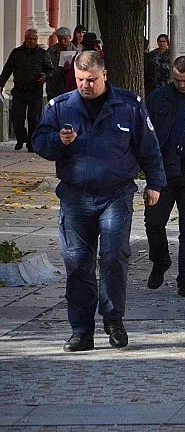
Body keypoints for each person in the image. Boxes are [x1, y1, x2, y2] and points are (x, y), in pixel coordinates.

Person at [33, 51, 165, 352]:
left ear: (104, 74)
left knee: (114, 256)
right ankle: (81, 331)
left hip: (115, 195)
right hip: (75, 197)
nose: (85, 85)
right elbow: (39, 142)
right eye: (80, 79)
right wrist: (58, 141)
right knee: (78, 262)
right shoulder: (60, 106)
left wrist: (155, 183)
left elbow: (148, 147)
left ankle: (114, 320)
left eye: (91, 79)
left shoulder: (128, 105)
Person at [144, 56, 185, 296]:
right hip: (163, 171)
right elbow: (146, 134)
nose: (182, 85)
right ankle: (160, 260)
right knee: (154, 222)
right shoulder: (158, 98)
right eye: (177, 80)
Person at [0, 28, 54, 151]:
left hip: (35, 90)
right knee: (17, 117)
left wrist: (45, 76)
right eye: (29, 39)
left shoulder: (42, 53)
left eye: (34, 39)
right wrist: (1, 83)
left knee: (33, 118)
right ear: (25, 39)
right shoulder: (17, 52)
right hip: (19, 90)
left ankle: (31, 142)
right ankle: (21, 138)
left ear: (37, 40)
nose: (32, 41)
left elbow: (50, 70)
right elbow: (7, 69)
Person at [46, 27, 75, 100]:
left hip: (68, 87)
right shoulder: (51, 51)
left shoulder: (76, 52)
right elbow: (46, 66)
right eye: (60, 39)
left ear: (70, 38)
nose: (62, 42)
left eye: (65, 39)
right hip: (53, 87)